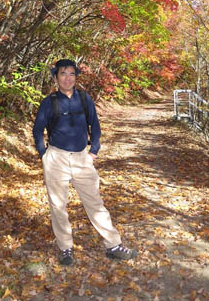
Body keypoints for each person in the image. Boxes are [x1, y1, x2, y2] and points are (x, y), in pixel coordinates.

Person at [33, 59, 136, 265]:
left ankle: (113, 245)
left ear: (76, 77)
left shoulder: (84, 99)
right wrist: (44, 154)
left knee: (95, 203)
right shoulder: (49, 101)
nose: (67, 78)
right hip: (56, 158)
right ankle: (65, 248)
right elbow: (38, 129)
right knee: (58, 205)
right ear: (56, 77)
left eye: (72, 74)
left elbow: (95, 125)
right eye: (63, 74)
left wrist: (94, 151)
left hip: (82, 157)